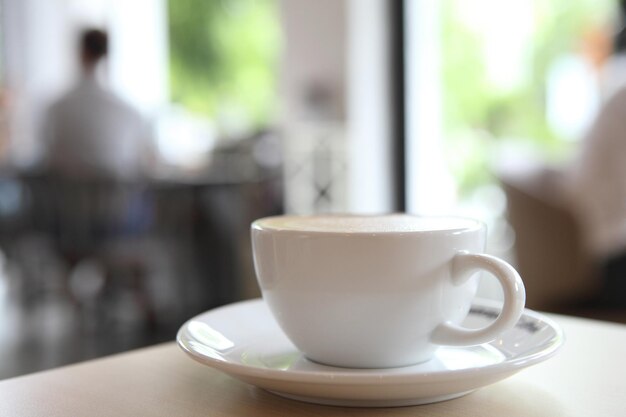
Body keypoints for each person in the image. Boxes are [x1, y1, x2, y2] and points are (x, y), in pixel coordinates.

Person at [40, 28, 151, 179]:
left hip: (65, 201)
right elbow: (140, 164)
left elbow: (46, 159)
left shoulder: (55, 110)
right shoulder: (130, 113)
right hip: (117, 202)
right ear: (109, 54)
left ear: (81, 53)